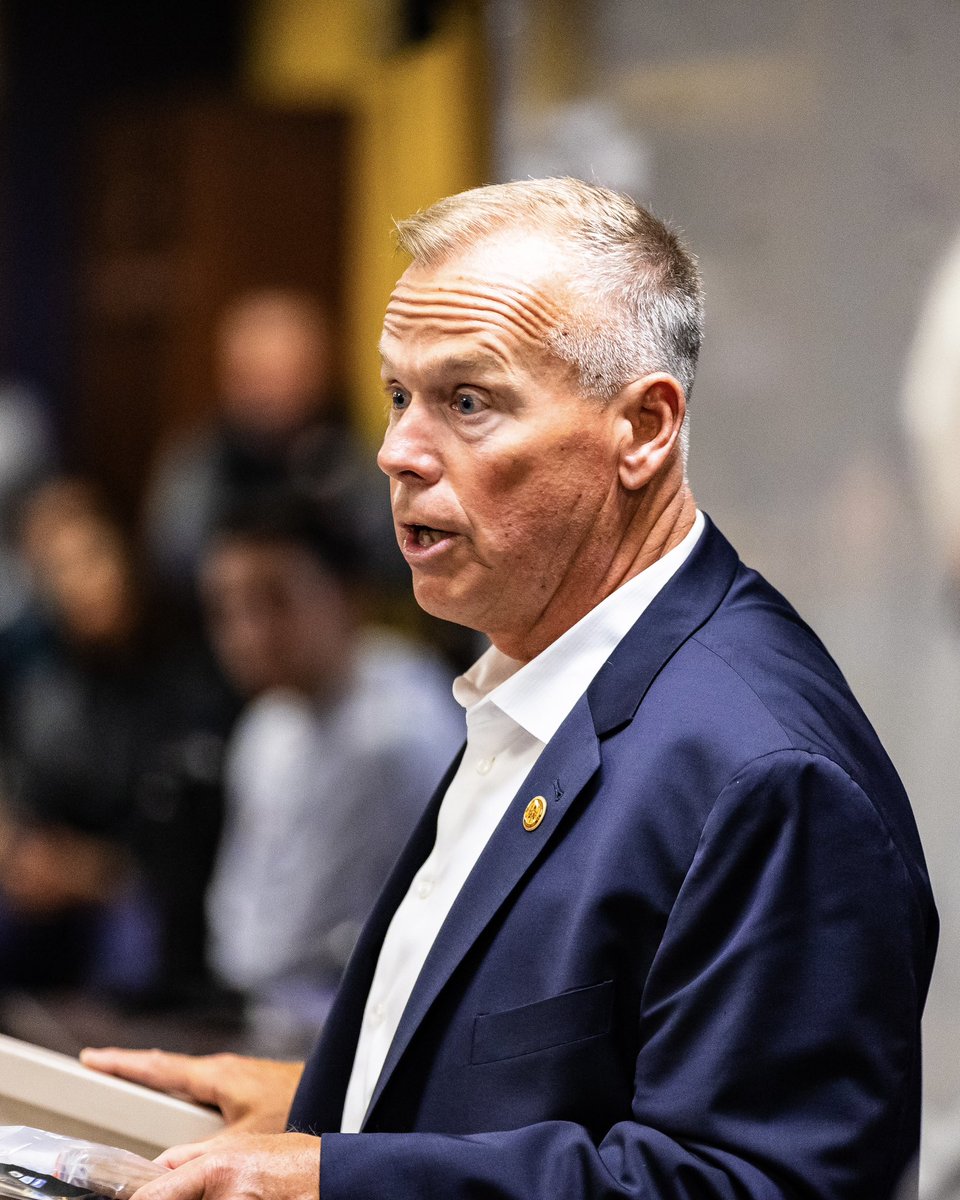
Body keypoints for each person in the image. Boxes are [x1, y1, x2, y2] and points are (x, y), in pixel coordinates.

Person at [81, 178, 937, 1200]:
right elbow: (568, 1087)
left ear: (643, 430)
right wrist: (341, 1106)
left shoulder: (767, 773)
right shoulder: (543, 667)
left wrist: (338, 1181)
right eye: (400, 396)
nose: (398, 452)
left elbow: (754, 1183)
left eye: (468, 401)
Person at [197, 493, 464, 1054]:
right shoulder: (265, 724)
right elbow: (239, 929)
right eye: (228, 609)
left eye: (274, 601)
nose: (248, 634)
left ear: (346, 594)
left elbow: (294, 942)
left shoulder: (397, 731)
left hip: (370, 1033)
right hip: (264, 1014)